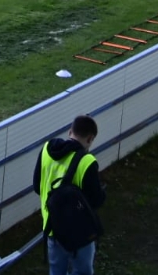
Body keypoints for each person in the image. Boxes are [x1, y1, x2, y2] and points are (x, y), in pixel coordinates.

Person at [36, 115, 106, 275]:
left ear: (70, 132)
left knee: (56, 271)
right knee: (82, 271)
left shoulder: (47, 150)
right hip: (80, 233)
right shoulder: (87, 162)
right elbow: (95, 201)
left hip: (52, 227)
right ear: (90, 139)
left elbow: (36, 185)